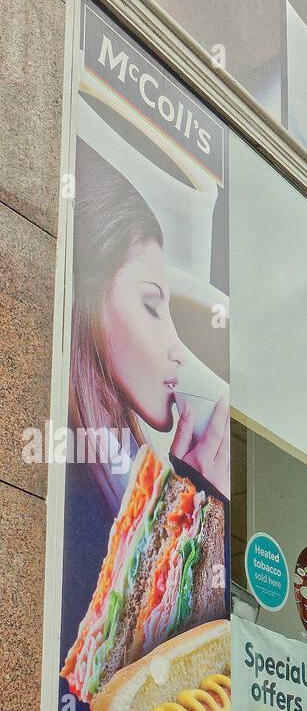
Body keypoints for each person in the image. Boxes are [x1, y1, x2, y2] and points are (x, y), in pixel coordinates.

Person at [70, 142, 230, 513]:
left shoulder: (119, 462)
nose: (178, 349)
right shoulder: (77, 487)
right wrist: (202, 507)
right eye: (150, 306)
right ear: (91, 297)